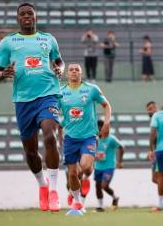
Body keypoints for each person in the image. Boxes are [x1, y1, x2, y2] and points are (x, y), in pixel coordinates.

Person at [0, 3, 65, 212]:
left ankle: (53, 190)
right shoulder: (8, 43)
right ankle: (42, 185)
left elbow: (59, 62)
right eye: (22, 14)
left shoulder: (48, 39)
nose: (26, 16)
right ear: (18, 19)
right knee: (31, 152)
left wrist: (59, 69)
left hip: (48, 95)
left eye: (30, 13)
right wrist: (2, 74)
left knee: (50, 136)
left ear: (35, 17)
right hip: (23, 101)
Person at [59, 63, 112, 213]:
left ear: (81, 73)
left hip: (89, 136)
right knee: (72, 173)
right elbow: (54, 113)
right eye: (71, 70)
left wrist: (106, 124)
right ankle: (77, 203)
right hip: (70, 137)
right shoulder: (60, 92)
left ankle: (85, 178)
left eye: (77, 70)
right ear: (67, 74)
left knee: (86, 166)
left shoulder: (91, 89)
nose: (74, 72)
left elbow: (106, 105)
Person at [95, 120, 124, 212]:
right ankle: (100, 206)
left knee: (104, 185)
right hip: (98, 166)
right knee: (98, 186)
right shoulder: (95, 139)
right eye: (98, 128)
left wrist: (120, 161)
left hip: (109, 166)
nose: (99, 130)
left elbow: (121, 147)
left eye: (101, 128)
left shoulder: (111, 139)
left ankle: (115, 197)